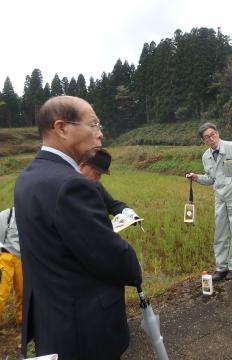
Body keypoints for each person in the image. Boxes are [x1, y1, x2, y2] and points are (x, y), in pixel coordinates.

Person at [14, 96, 142, 359]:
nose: (100, 133)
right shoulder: (71, 184)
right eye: (93, 124)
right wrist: (133, 268)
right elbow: (109, 255)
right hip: (84, 325)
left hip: (54, 319)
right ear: (62, 128)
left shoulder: (29, 177)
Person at [186, 123, 232, 281]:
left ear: (217, 133)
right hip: (220, 198)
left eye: (213, 134)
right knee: (220, 234)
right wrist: (196, 177)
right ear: (203, 141)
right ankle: (221, 267)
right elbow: (211, 179)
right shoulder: (206, 156)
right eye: (207, 137)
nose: (211, 138)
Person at [79, 148, 140, 219]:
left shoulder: (96, 185)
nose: (98, 178)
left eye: (101, 175)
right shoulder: (67, 187)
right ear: (82, 166)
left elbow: (111, 204)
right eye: (97, 174)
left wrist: (127, 212)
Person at [0, 207, 22, 327]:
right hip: (5, 256)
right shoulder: (5, 215)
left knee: (22, 291)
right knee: (1, 291)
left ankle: (21, 320)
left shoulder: (31, 216)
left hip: (22, 259)